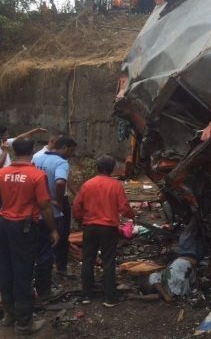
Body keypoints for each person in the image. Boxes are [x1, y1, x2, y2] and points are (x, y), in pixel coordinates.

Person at [0, 138, 59, 335]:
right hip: (23, 227)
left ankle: (9, 314)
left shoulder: (2, 173)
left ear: (14, 151)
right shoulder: (36, 175)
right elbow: (45, 205)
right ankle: (24, 322)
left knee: (6, 269)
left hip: (4, 225)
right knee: (23, 272)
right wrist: (53, 229)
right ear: (32, 150)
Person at [73, 155, 134, 307]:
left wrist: (79, 219)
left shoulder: (88, 184)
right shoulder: (116, 185)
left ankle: (86, 295)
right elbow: (124, 208)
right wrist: (132, 216)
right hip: (109, 228)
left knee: (88, 260)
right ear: (112, 169)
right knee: (108, 261)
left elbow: (76, 205)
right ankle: (109, 298)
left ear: (97, 168)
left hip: (90, 227)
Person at [32, 136, 76, 301]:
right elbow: (60, 183)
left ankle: (39, 280)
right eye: (71, 151)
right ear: (65, 148)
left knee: (39, 245)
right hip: (53, 206)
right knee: (55, 240)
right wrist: (57, 200)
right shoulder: (61, 162)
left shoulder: (37, 158)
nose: (72, 154)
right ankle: (45, 288)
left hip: (36, 206)